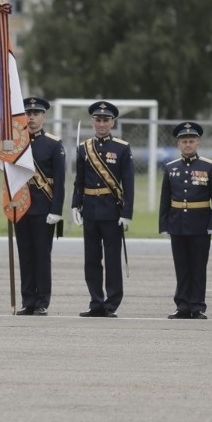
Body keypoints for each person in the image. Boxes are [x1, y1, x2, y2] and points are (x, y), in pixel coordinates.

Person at [71, 101, 134, 318]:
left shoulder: (122, 148)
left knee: (112, 259)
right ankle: (96, 302)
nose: (101, 124)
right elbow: (79, 180)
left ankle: (111, 304)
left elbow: (129, 183)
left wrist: (127, 213)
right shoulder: (84, 147)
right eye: (98, 120)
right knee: (91, 259)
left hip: (111, 210)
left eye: (106, 120)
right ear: (92, 121)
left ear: (112, 122)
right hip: (90, 209)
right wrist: (75, 204)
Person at [160, 121, 212, 319]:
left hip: (200, 223)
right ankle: (182, 306)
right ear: (178, 144)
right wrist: (164, 224)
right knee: (181, 267)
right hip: (177, 223)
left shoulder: (209, 166)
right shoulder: (171, 168)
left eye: (191, 141)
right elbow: (165, 199)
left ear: (197, 143)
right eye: (184, 141)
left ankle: (197, 306)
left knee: (198, 267)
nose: (188, 144)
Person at [13, 97, 65, 316]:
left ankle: (42, 301)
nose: (31, 117)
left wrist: (56, 210)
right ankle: (28, 301)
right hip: (20, 207)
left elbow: (60, 181)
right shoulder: (15, 143)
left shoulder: (53, 144)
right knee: (25, 256)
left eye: (36, 113)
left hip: (43, 208)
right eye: (28, 113)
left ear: (44, 116)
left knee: (42, 257)